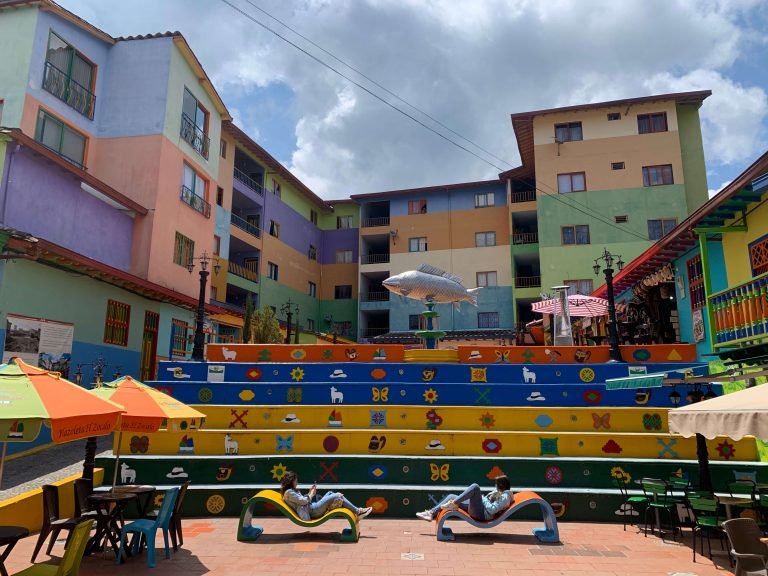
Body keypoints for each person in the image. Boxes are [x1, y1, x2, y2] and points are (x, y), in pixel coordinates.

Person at [281, 471, 373, 521]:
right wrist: (311, 494)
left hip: (312, 507)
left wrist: (309, 493)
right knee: (337, 495)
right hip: (313, 510)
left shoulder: (290, 491)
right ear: (291, 481)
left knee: (330, 493)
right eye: (296, 480)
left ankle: (334, 505)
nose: (297, 482)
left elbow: (301, 501)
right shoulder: (289, 492)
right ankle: (358, 511)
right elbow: (303, 501)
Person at [415, 475, 513, 522]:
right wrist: (483, 499)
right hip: (480, 508)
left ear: (502, 485)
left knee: (475, 487)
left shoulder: (505, 497)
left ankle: (453, 503)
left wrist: (483, 499)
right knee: (451, 496)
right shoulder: (500, 493)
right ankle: (431, 513)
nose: (495, 485)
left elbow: (492, 510)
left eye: (496, 484)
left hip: (482, 514)